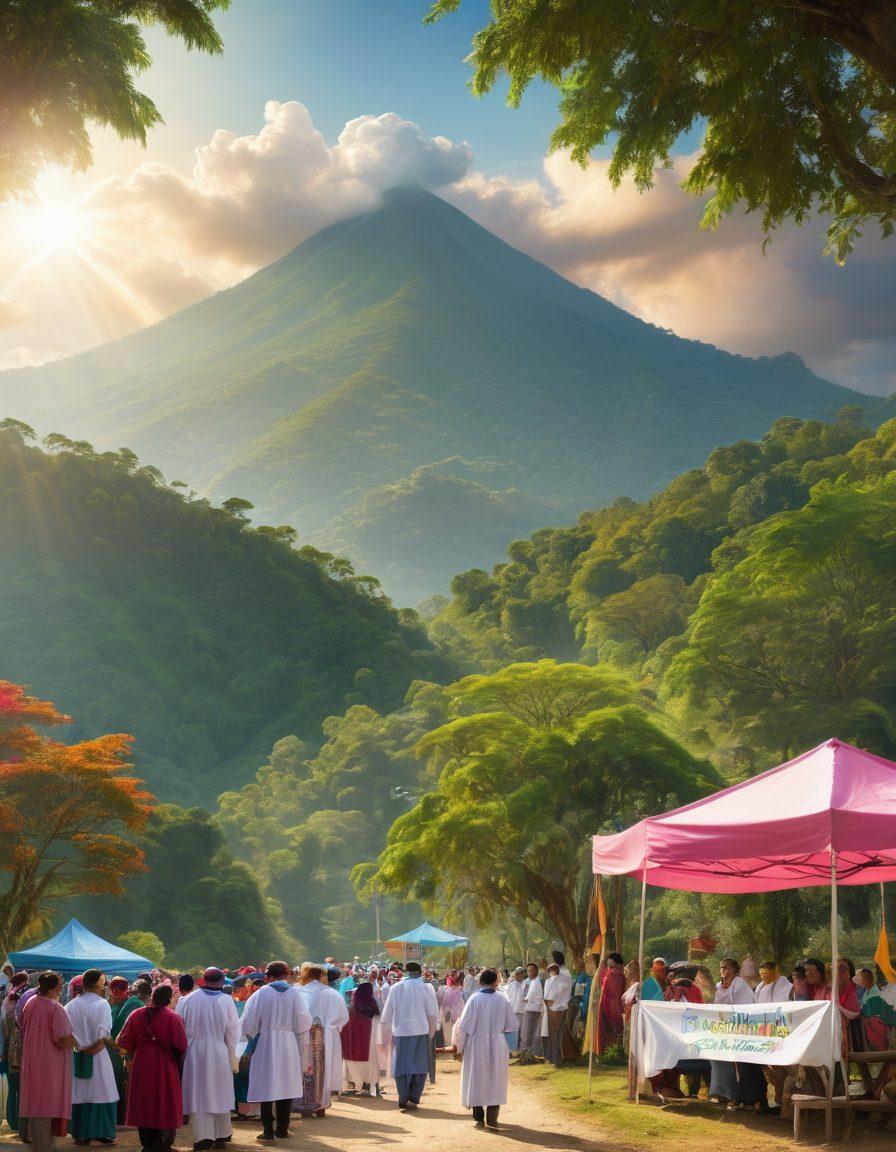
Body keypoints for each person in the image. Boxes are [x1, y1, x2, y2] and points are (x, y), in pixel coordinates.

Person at [239, 960, 312, 1142]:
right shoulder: (295, 994)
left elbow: (248, 1024)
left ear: (267, 976)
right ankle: (282, 1128)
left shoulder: (260, 994)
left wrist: (253, 1037)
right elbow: (304, 1021)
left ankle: (267, 1130)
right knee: (285, 1086)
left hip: (265, 1043)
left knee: (265, 1087)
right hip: (288, 1043)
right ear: (287, 975)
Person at [117, 985, 187, 1152]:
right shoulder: (173, 1017)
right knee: (165, 1101)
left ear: (153, 996)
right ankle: (163, 1143)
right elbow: (181, 1045)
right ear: (169, 998)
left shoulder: (136, 1015)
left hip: (141, 1062)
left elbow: (123, 1040)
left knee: (144, 1102)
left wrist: (138, 1048)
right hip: (165, 1064)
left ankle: (148, 1143)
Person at [180, 967, 240, 1150]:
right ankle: (222, 1133)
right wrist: (232, 1053)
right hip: (218, 1049)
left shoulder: (187, 999)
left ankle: (203, 1136)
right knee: (218, 1089)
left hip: (194, 1050)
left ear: (203, 980)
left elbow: (180, 1027)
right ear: (222, 981)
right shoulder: (226, 1000)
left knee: (199, 1092)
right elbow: (233, 1031)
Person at [453, 968, 518, 1130]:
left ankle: (479, 1117)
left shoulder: (474, 999)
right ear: (495, 981)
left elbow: (464, 1026)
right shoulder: (502, 999)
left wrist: (459, 1048)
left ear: (480, 981)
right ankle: (492, 1117)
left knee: (477, 1079)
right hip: (498, 1044)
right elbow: (512, 1025)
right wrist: (512, 1047)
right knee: (496, 1080)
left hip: (476, 1044)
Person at [19, 972, 75, 1152]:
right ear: (57, 987)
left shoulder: (30, 1003)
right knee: (46, 1109)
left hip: (31, 1062)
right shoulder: (55, 1008)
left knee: (36, 1109)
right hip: (50, 1067)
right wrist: (75, 1040)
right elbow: (63, 1039)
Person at [66, 968, 119, 1145]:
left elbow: (68, 1034)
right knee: (101, 1091)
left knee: (81, 1092)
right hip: (97, 1055)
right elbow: (103, 1035)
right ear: (98, 985)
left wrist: (80, 1049)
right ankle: (101, 1132)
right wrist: (92, 1050)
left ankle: (81, 1133)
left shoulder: (71, 1005)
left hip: (78, 1054)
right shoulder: (102, 1004)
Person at [379, 961, 438, 1112]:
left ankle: (403, 1096)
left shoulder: (396, 987)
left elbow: (387, 1013)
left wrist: (385, 1036)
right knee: (420, 1066)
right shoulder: (427, 987)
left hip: (401, 1031)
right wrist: (431, 1033)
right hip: (421, 1030)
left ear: (405, 971)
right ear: (420, 972)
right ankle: (414, 1096)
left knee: (402, 1066)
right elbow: (432, 1013)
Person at [709, 958, 765, 1111]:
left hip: (743, 1029)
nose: (723, 970)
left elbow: (742, 1009)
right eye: (721, 967)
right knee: (729, 1064)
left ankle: (752, 1100)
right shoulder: (719, 986)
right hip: (725, 1030)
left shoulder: (739, 985)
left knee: (745, 1065)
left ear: (734, 970)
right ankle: (729, 1095)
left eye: (726, 967)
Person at [296, 964, 348, 1116]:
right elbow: (343, 1017)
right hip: (327, 1035)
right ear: (321, 976)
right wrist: (332, 1026)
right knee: (324, 1071)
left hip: (303, 1034)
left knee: (305, 1069)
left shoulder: (298, 991)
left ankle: (304, 1104)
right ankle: (321, 1106)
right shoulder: (332, 993)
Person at [107, 978, 139, 1125]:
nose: (117, 993)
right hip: (114, 1047)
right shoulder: (126, 1003)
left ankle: (119, 1115)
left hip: (114, 1047)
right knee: (117, 1080)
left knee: (117, 1080)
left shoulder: (126, 1003)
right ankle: (119, 1115)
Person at [341, 978, 380, 1096]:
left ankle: (353, 1085)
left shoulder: (353, 1007)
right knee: (371, 1063)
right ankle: (370, 1087)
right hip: (370, 1041)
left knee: (353, 1063)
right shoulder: (373, 1004)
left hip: (355, 1042)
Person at [596, 952, 626, 1055]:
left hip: (608, 1004)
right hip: (612, 1004)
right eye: (609, 966)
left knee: (607, 1030)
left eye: (612, 966)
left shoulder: (613, 973)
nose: (610, 969)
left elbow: (615, 992)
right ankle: (613, 1052)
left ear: (619, 965)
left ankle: (608, 1052)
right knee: (612, 1030)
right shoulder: (617, 974)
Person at [542, 963, 569, 1068]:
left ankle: (557, 1059)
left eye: (554, 970)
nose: (553, 972)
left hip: (558, 1010)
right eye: (551, 970)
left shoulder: (559, 981)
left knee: (557, 1036)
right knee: (554, 1036)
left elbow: (554, 995)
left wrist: (550, 1003)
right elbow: (547, 996)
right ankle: (554, 1058)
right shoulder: (549, 981)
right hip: (552, 1010)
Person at [517, 962, 544, 1064]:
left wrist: (524, 999)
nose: (529, 972)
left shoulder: (535, 982)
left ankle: (526, 1056)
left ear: (536, 971)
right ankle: (526, 1055)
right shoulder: (532, 982)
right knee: (528, 1033)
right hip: (531, 1010)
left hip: (532, 1011)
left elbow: (529, 997)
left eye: (531, 970)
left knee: (528, 1033)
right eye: (528, 970)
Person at [502, 968, 527, 1055]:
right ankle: (512, 1050)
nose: (519, 975)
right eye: (518, 973)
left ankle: (521, 1050)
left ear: (523, 974)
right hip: (513, 1011)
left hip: (523, 1011)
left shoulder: (526, 983)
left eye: (521, 973)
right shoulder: (512, 984)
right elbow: (507, 996)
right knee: (513, 1031)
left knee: (523, 1031)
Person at [439, 974, 465, 1049]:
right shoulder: (458, 991)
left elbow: (444, 1003)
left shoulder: (449, 991)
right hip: (455, 1012)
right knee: (455, 1027)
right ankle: (455, 1043)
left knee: (448, 1028)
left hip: (449, 1012)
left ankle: (449, 1042)